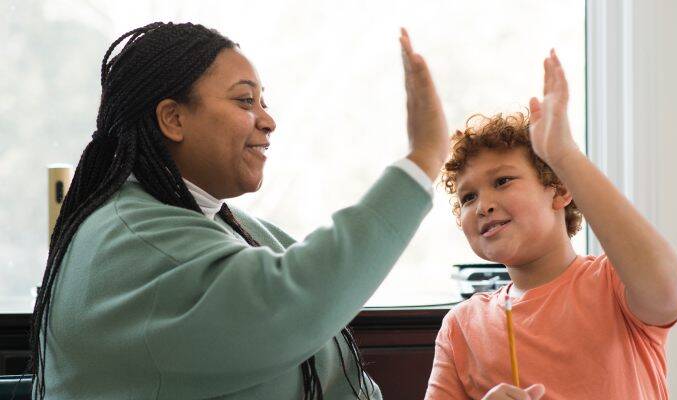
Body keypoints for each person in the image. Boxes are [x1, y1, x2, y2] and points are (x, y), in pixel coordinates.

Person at [30, 22, 449, 399]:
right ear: (173, 118)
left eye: (263, 101)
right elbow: (292, 302)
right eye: (245, 100)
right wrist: (422, 160)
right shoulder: (132, 240)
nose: (268, 121)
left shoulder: (234, 227)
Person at [425, 50, 677, 400]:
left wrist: (564, 155)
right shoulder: (461, 327)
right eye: (468, 198)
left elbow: (669, 289)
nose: (483, 205)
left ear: (561, 190)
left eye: (502, 181)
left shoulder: (612, 285)